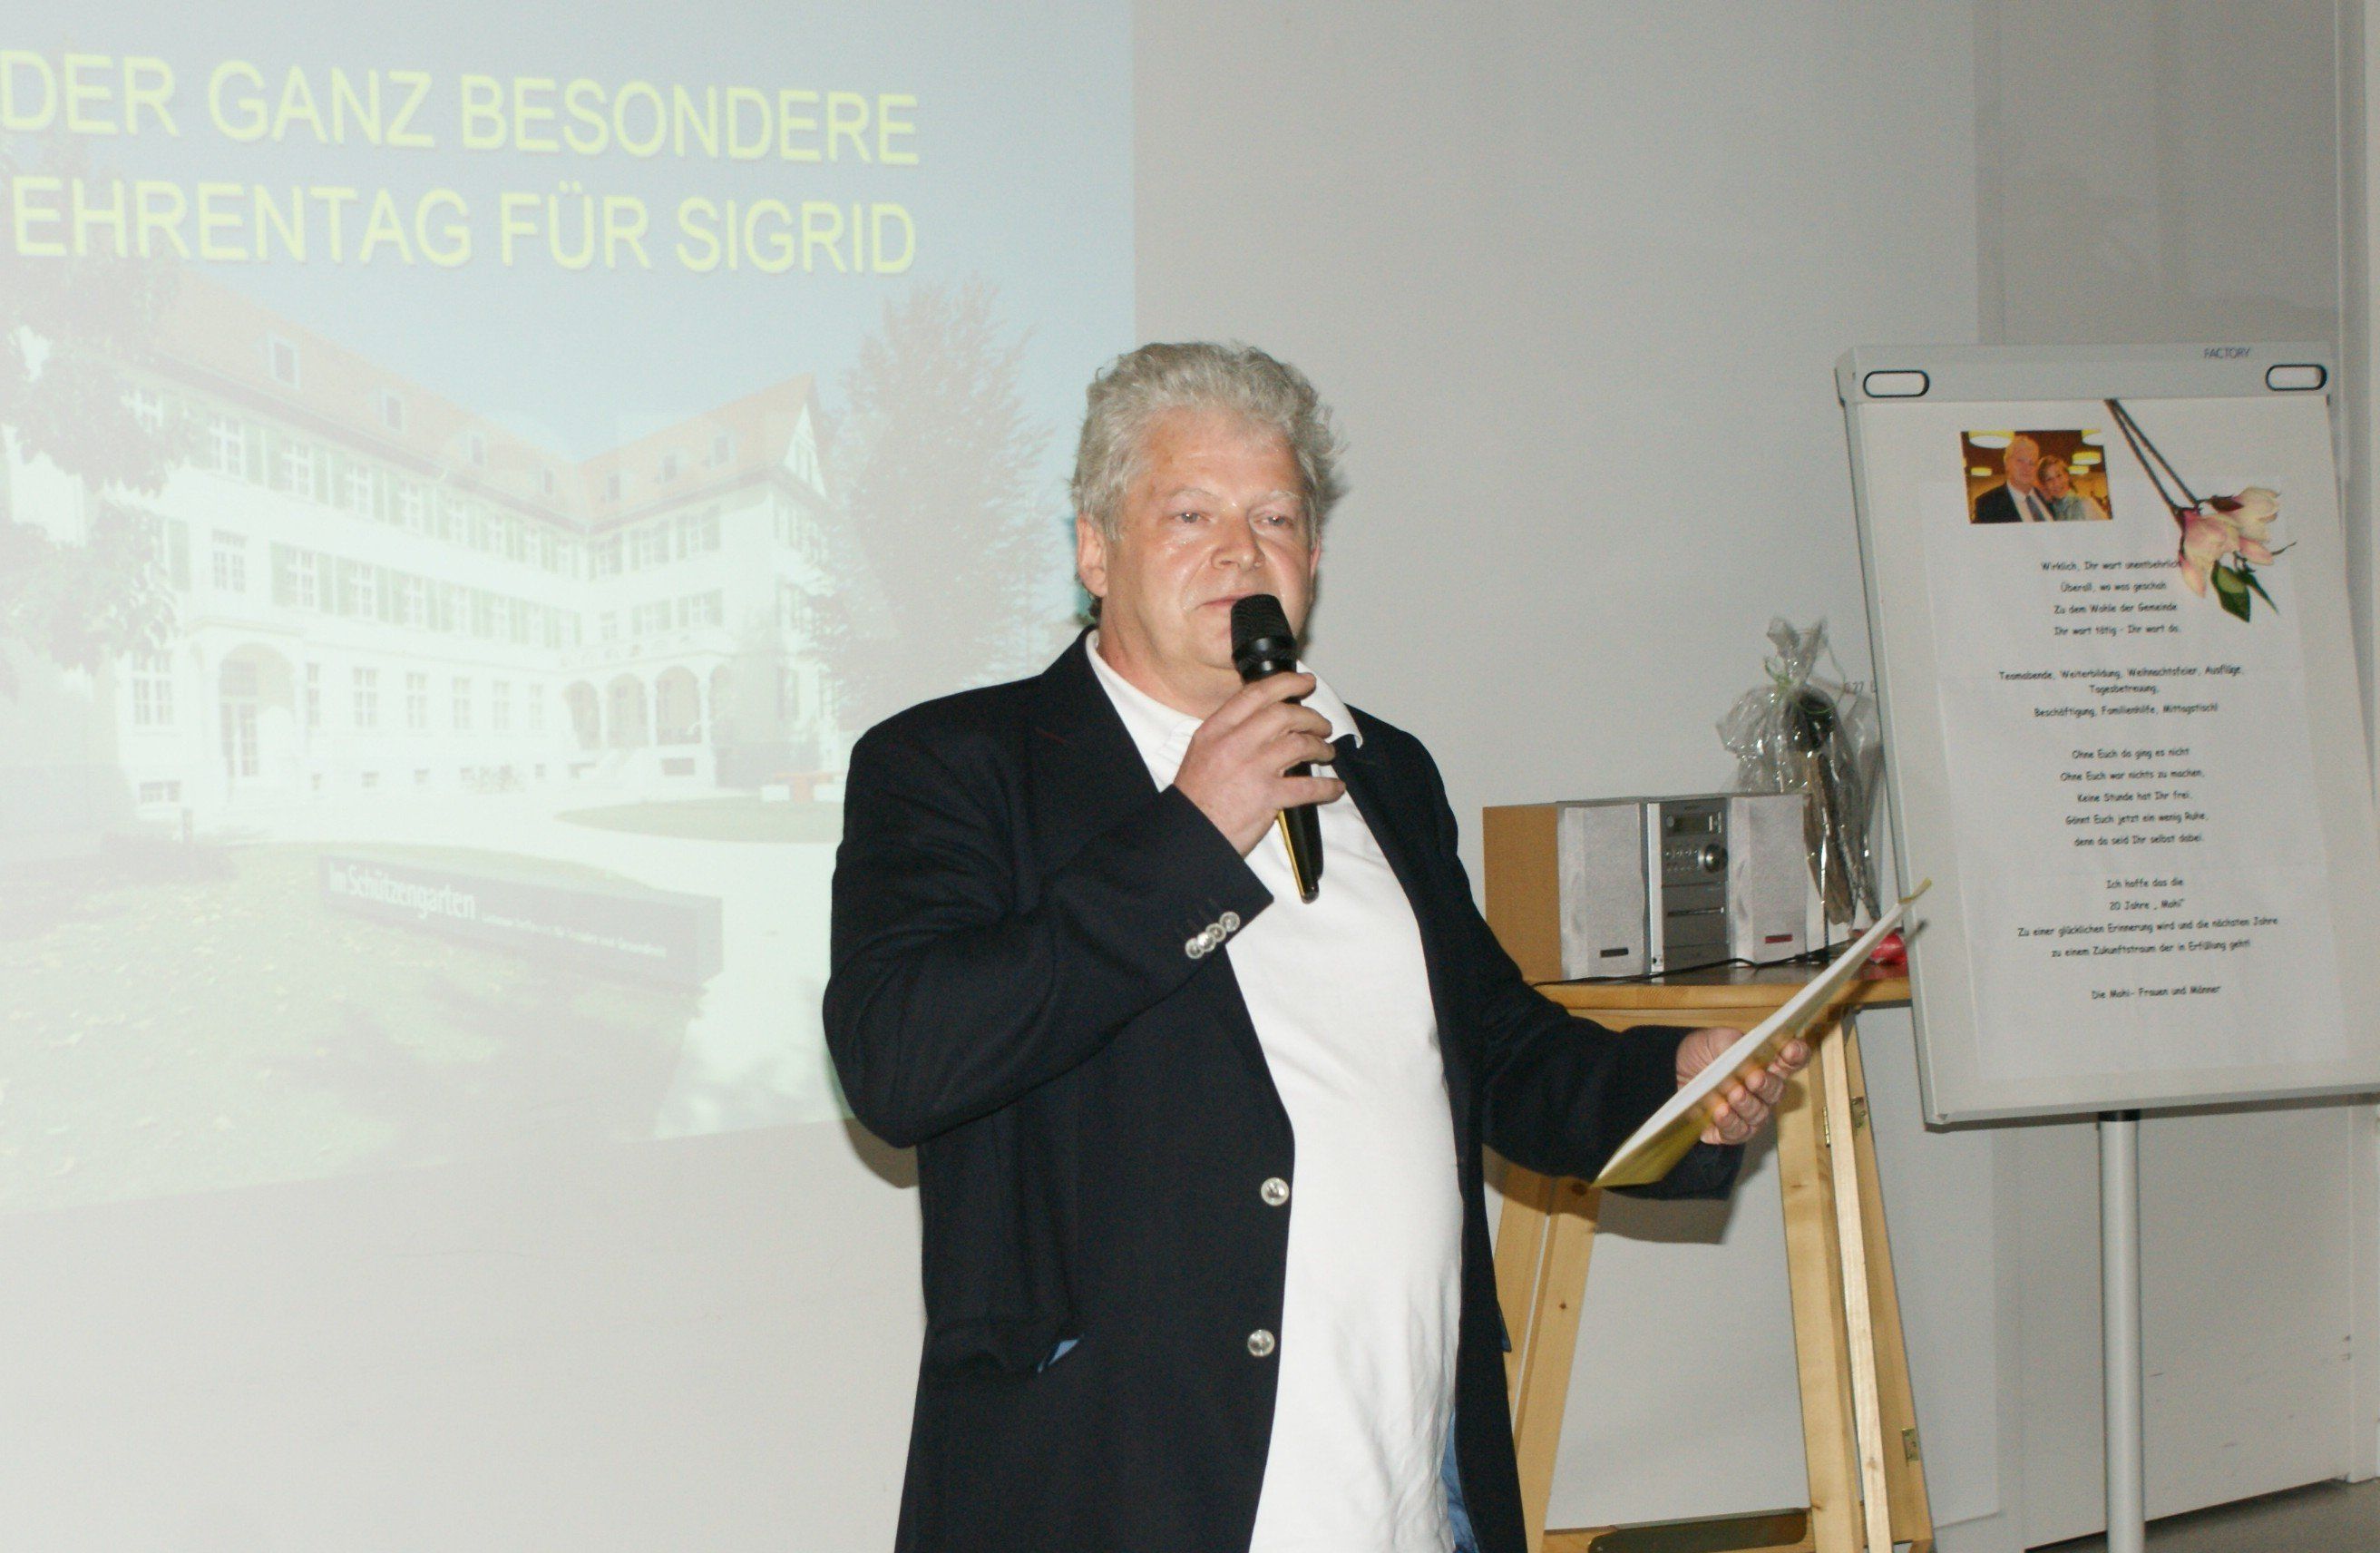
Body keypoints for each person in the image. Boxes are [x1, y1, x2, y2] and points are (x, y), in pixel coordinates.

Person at [824, 342, 1808, 1553]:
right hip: (1119, 1490)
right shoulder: (957, 767)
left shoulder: (1381, 766)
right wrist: (1193, 834)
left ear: (1315, 556)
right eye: (1190, 513)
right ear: (1094, 550)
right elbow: (901, 1061)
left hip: (1404, 1480)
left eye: (1275, 517)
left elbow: (1490, 1048)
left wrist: (1670, 1086)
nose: (1241, 553)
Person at [1972, 433, 2056, 523]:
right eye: (2020, 461)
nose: (2026, 468)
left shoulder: (2047, 498)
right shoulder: (1988, 504)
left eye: (2032, 463)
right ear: (2007, 464)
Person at [2039, 455, 2109, 522]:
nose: (2056, 483)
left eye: (2059, 475)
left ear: (2067, 476)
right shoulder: (2047, 513)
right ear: (2044, 485)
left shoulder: (2087, 504)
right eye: (2049, 479)